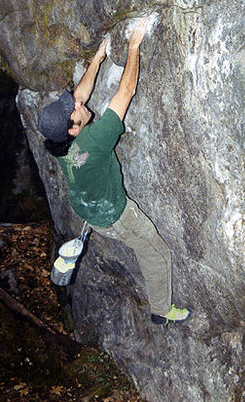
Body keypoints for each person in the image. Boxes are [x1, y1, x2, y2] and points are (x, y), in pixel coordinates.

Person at [37, 20, 190, 325]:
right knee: (157, 253)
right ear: (73, 127)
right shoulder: (95, 141)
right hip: (115, 215)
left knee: (96, 205)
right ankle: (162, 311)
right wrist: (134, 45)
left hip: (86, 205)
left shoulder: (59, 142)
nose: (78, 102)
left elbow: (79, 97)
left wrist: (99, 57)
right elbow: (127, 90)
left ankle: (84, 233)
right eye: (74, 108)